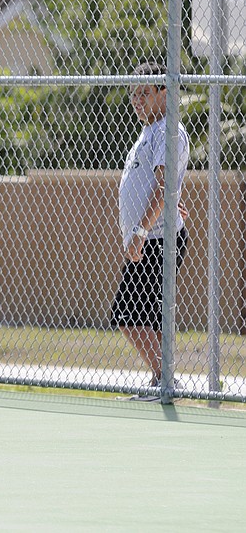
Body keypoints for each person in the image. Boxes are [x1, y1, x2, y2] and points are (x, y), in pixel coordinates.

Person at [111, 61, 189, 401]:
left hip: (157, 238)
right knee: (145, 315)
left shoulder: (168, 130)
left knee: (127, 313)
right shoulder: (150, 131)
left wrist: (142, 230)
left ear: (164, 93)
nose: (137, 100)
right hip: (150, 237)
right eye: (133, 94)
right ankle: (161, 381)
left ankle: (165, 379)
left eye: (144, 92)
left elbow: (163, 183)